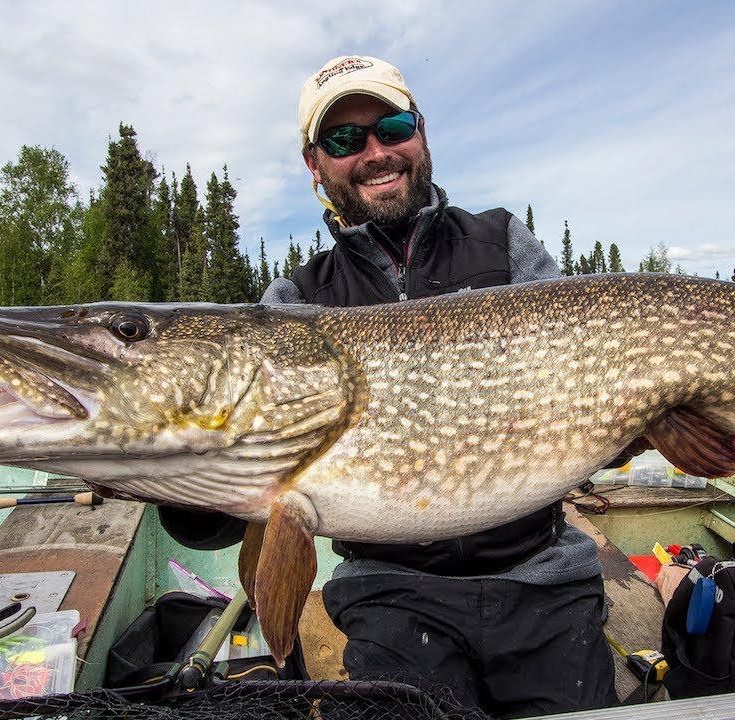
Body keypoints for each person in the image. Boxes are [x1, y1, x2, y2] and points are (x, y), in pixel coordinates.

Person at [259, 55, 618, 719]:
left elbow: (595, 392)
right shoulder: (296, 303)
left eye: (391, 127)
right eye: (344, 139)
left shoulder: (504, 244)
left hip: (543, 580)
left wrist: (636, 420)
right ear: (316, 165)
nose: (375, 152)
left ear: (420, 133)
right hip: (393, 594)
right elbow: (237, 485)